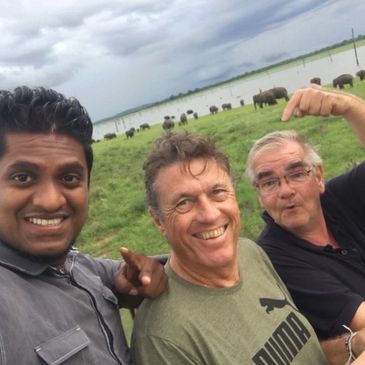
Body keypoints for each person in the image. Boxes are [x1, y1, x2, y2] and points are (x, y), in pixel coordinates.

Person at [0, 86, 167, 365]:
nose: (51, 201)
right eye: (22, 177)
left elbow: (122, 274)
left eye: (69, 178)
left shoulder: (76, 265)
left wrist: (134, 281)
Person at [131, 131, 327, 364]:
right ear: (158, 221)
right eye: (184, 202)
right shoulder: (164, 341)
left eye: (217, 192)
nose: (210, 214)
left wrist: (351, 344)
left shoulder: (249, 252)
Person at [245, 86, 365, 364]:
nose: (285, 190)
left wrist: (346, 106)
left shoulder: (336, 197)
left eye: (296, 173)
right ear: (260, 196)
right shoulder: (275, 257)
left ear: (318, 176)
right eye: (269, 182)